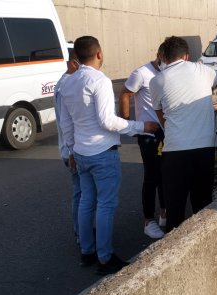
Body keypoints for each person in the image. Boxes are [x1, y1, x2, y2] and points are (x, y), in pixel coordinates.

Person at [59, 35, 159, 275]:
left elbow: (65, 122)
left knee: (86, 201)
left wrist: (71, 149)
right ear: (99, 53)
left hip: (81, 152)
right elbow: (107, 121)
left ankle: (87, 252)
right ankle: (105, 258)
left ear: (77, 56)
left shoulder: (67, 82)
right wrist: (141, 127)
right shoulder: (99, 80)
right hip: (102, 152)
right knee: (105, 205)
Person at [150, 36, 217, 232]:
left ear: (164, 56)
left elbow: (160, 113)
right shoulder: (203, 70)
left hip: (175, 151)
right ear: (186, 55)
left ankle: (173, 249)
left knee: (175, 208)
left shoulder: (156, 81)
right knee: (202, 204)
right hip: (205, 149)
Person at [119, 45, 166, 239]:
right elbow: (124, 94)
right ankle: (148, 220)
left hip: (166, 133)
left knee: (166, 174)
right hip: (149, 135)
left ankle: (164, 212)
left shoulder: (169, 73)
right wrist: (131, 125)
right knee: (152, 177)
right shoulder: (142, 73)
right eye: (166, 59)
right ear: (159, 56)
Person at [54, 46, 81, 247]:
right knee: (81, 193)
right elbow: (66, 123)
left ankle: (82, 230)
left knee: (82, 192)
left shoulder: (65, 83)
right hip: (72, 150)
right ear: (73, 63)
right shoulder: (66, 85)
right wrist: (72, 151)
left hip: (71, 148)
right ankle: (81, 233)